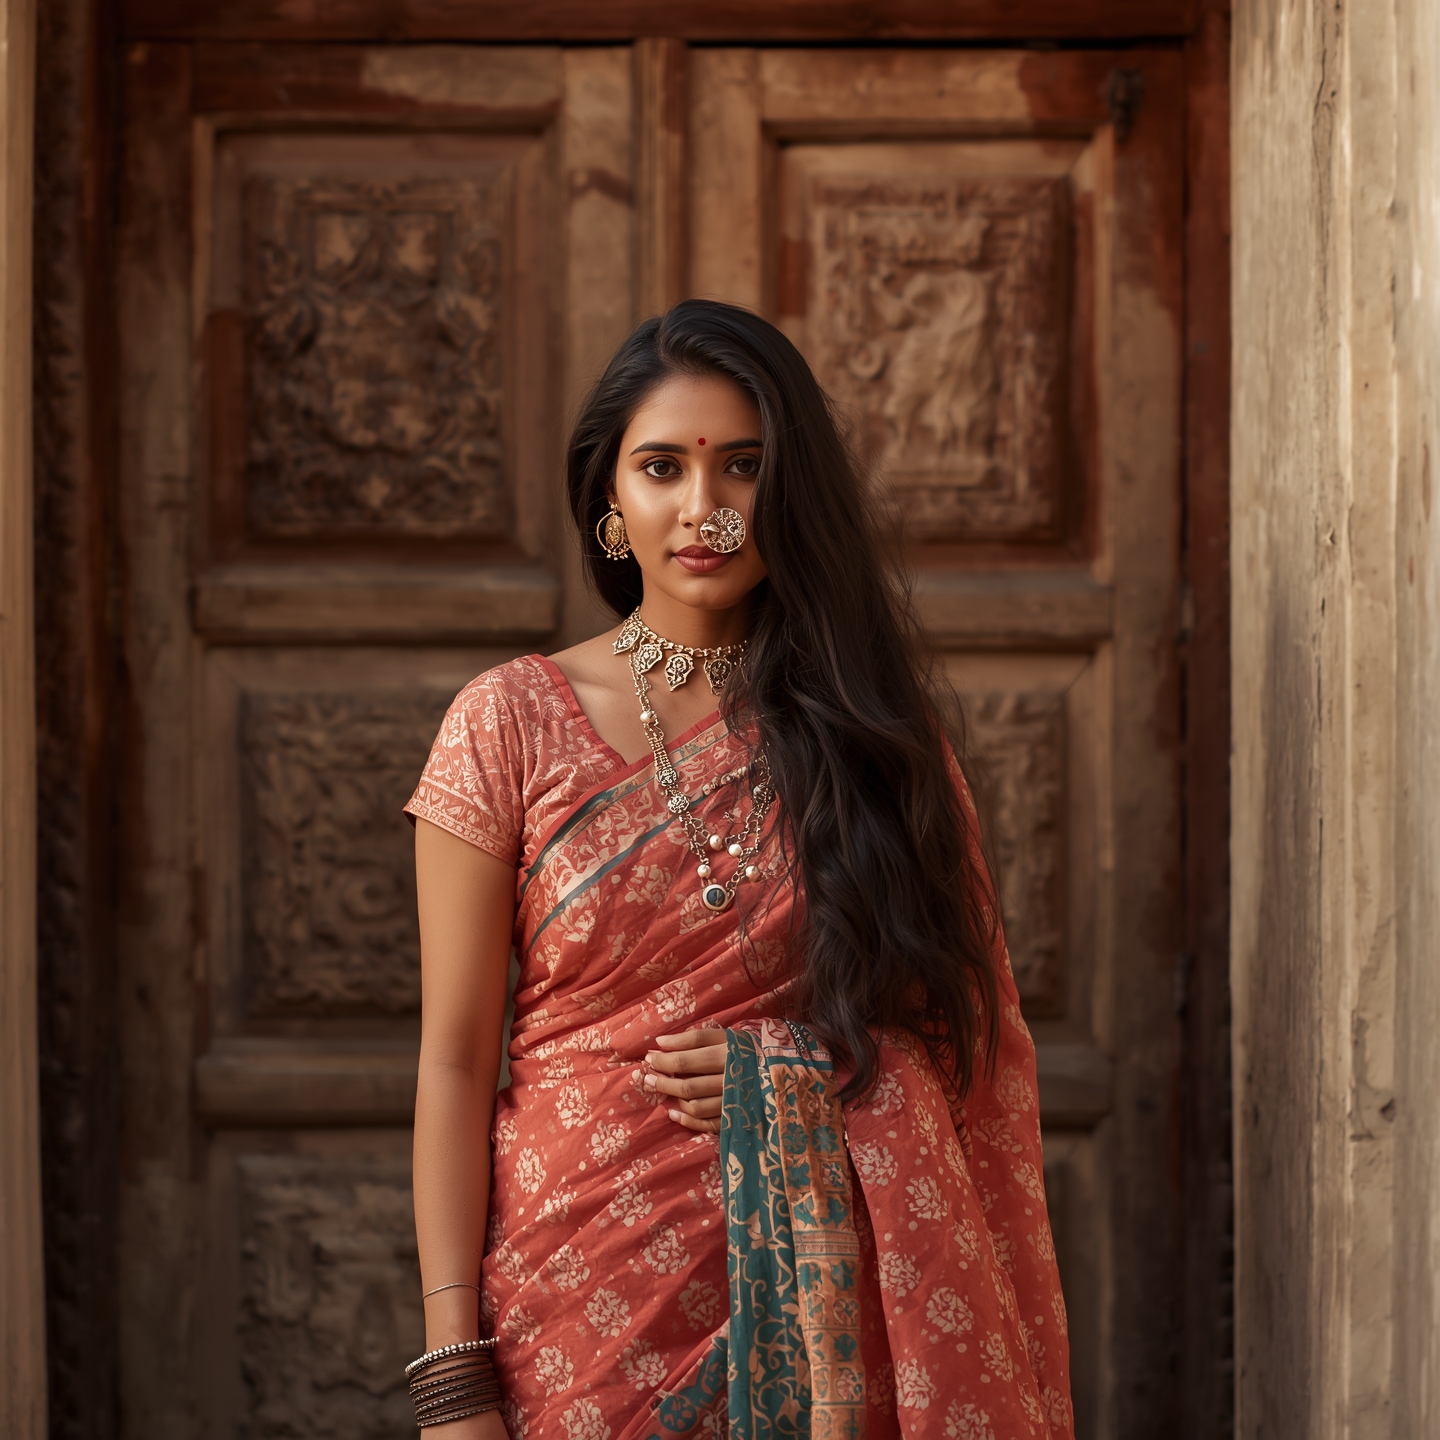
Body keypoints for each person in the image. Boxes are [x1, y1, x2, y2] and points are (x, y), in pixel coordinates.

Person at [404, 299, 1074, 1439]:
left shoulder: (872, 739)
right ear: (612, 502)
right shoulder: (506, 723)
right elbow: (457, 1063)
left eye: (744, 469)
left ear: (789, 492)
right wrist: (454, 1373)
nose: (703, 509)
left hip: (820, 1319)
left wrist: (798, 1075)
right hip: (569, 1301)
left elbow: (962, 1047)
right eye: (662, 467)